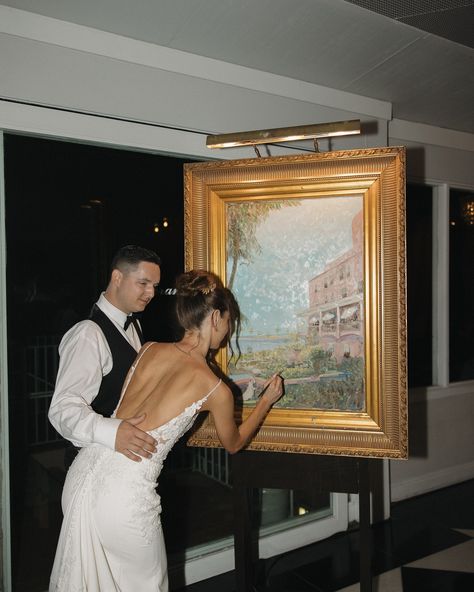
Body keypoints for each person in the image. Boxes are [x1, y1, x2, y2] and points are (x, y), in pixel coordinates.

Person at [49, 270, 283, 592]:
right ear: (215, 317)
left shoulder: (148, 349)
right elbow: (234, 442)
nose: (228, 331)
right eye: (229, 321)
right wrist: (266, 401)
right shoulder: (216, 389)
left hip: (83, 472)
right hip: (124, 495)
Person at [48, 244, 162, 464]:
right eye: (143, 283)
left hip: (124, 464)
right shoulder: (88, 334)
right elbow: (63, 409)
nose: (151, 293)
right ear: (117, 278)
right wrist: (113, 433)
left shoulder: (134, 325)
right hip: (92, 462)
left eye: (155, 286)